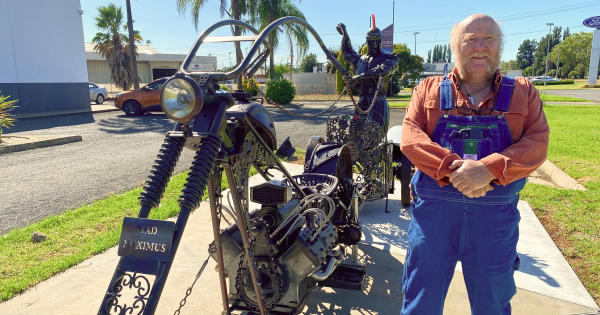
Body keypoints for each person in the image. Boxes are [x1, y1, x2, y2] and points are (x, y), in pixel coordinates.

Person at [400, 14, 550, 315]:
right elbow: (411, 137)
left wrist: (488, 170)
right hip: (434, 221)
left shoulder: (524, 93)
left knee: (492, 306)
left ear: (500, 45)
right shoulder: (427, 90)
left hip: (493, 224)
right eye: (470, 39)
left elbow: (537, 143)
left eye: (489, 38)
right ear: (456, 46)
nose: (480, 46)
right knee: (420, 304)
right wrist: (455, 169)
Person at [336, 15, 399, 132]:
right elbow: (347, 51)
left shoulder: (390, 58)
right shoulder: (361, 60)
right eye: (371, 41)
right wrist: (345, 35)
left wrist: (359, 78)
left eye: (376, 41)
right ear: (367, 41)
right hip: (361, 102)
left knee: (374, 135)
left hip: (378, 104)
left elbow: (382, 70)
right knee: (354, 134)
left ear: (380, 40)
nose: (374, 44)